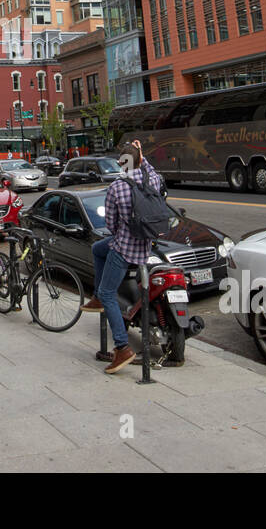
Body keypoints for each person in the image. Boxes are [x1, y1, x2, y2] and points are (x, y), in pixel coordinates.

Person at [81, 140, 163, 375]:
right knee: (98, 249)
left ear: (121, 163)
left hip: (124, 249)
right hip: (144, 248)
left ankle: (122, 347)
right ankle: (97, 297)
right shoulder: (152, 180)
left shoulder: (117, 187)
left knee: (109, 293)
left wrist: (121, 233)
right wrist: (141, 154)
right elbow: (150, 169)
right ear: (139, 160)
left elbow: (111, 224)